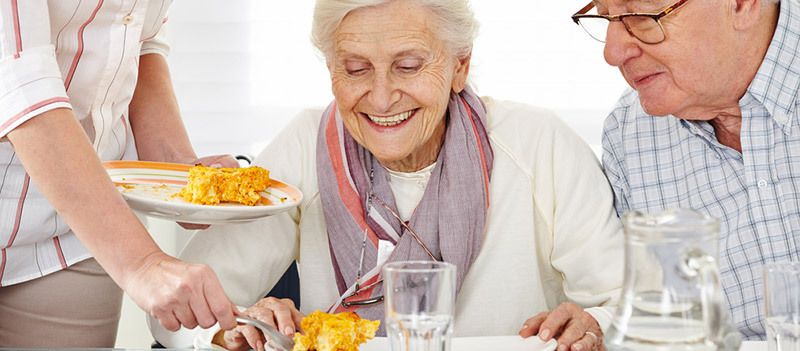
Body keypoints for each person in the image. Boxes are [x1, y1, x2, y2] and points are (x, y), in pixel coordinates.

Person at [152, 1, 623, 350]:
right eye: (355, 69)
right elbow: (177, 313)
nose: (380, 98)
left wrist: (594, 323)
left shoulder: (539, 144)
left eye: (409, 66)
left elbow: (623, 304)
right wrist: (235, 328)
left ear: (460, 66)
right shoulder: (305, 143)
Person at [0, 1, 239, 347]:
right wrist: (143, 264)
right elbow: (18, 79)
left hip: (79, 230)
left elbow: (137, 41)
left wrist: (177, 168)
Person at [571, 0, 794, 340]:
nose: (613, 53)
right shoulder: (630, 135)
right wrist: (603, 325)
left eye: (641, 16)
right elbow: (658, 321)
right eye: (605, 18)